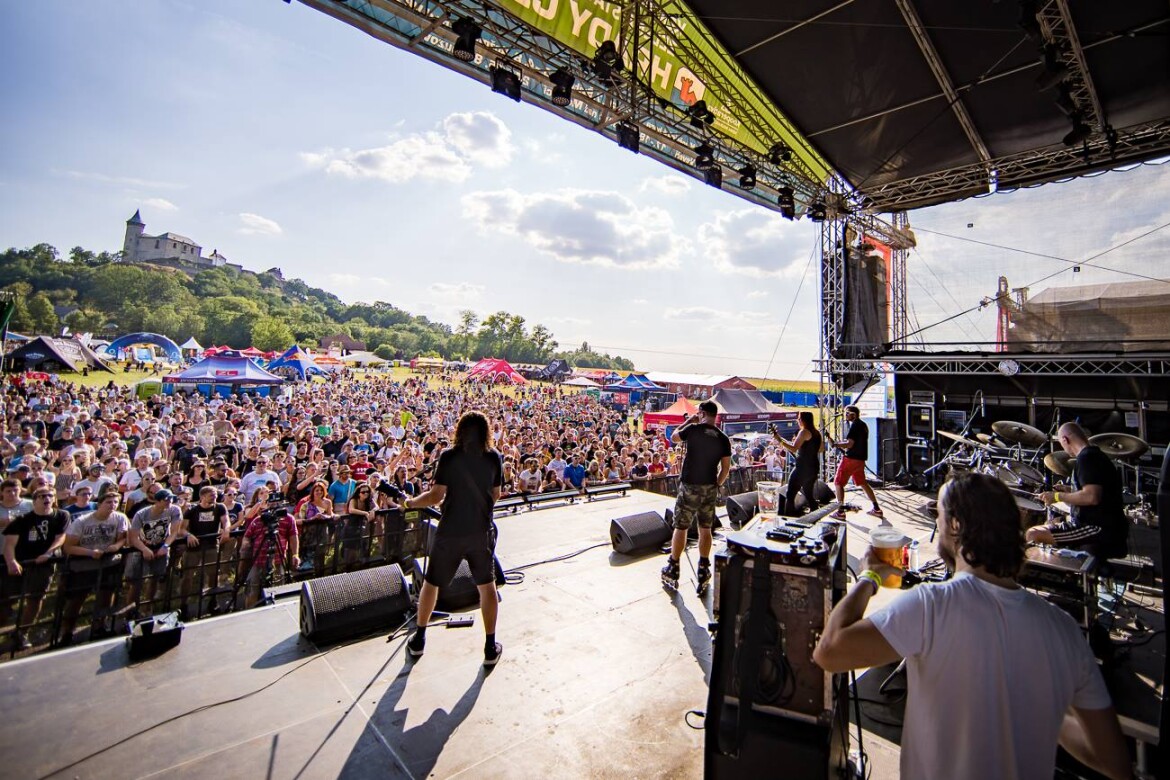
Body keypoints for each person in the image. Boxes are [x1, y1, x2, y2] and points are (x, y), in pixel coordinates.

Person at [812, 472, 1130, 780]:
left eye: (938, 513)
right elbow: (1114, 761)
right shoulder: (1065, 630)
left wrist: (870, 576)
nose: (935, 520)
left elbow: (829, 652)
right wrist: (1043, 709)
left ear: (955, 526)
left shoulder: (931, 606)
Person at [404, 411, 503, 667]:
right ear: (486, 431)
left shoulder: (449, 456)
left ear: (460, 430)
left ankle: (419, 639)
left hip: (450, 531)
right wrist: (480, 508)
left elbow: (436, 496)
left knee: (431, 584)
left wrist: (411, 502)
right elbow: (496, 493)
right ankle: (490, 647)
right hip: (480, 530)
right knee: (487, 586)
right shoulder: (494, 457)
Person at [661, 401, 731, 594]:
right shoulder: (723, 438)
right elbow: (726, 469)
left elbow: (673, 437)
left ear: (701, 413)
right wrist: (716, 484)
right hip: (709, 487)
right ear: (715, 415)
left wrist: (688, 422)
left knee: (681, 527)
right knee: (705, 528)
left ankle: (673, 567)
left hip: (690, 486)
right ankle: (703, 568)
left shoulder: (692, 429)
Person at [1030, 422, 1127, 559]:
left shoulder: (1087, 458)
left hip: (1096, 527)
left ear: (1065, 440)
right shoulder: (1096, 455)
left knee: (1033, 534)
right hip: (1108, 526)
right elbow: (1096, 490)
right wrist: (1069, 490)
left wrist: (1057, 496)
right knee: (1050, 524)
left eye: (1061, 443)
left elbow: (1092, 497)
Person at [59, 491, 129, 643]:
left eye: (115, 502)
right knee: (77, 599)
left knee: (106, 596)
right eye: (108, 502)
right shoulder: (82, 522)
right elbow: (68, 547)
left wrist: (115, 547)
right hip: (83, 565)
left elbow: (122, 539)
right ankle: (67, 631)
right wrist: (90, 552)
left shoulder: (120, 518)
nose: (113, 505)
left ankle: (99, 626)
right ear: (99, 504)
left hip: (109, 563)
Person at [2, 487, 68, 649]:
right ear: (34, 500)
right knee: (6, 600)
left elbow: (61, 538)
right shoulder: (23, 519)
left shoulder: (61, 515)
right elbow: (9, 544)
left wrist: (48, 553)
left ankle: (22, 633)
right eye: (42, 496)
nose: (47, 498)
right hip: (22, 563)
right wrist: (11, 561)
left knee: (35, 598)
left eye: (50, 495)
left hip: (44, 565)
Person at [124, 488, 181, 617]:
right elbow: (133, 537)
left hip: (161, 548)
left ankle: (147, 607)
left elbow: (174, 532)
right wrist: (144, 549)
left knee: (155, 578)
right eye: (167, 500)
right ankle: (130, 612)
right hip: (141, 549)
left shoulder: (174, 510)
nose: (170, 502)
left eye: (171, 499)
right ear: (158, 501)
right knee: (137, 583)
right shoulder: (142, 514)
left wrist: (166, 546)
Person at [829, 405, 882, 520]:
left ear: (854, 414)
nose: (845, 415)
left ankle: (840, 511)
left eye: (847, 413)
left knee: (838, 483)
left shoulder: (855, 426)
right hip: (860, 460)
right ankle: (877, 508)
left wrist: (836, 444)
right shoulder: (863, 425)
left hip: (851, 459)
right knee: (863, 483)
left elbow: (849, 444)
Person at [771, 411, 822, 516]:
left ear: (803, 420)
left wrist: (780, 441)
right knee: (808, 493)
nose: (797, 421)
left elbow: (794, 448)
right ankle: (816, 513)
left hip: (802, 468)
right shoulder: (817, 433)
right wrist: (780, 438)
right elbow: (821, 449)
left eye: (799, 419)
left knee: (790, 494)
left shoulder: (803, 432)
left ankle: (790, 516)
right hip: (813, 467)